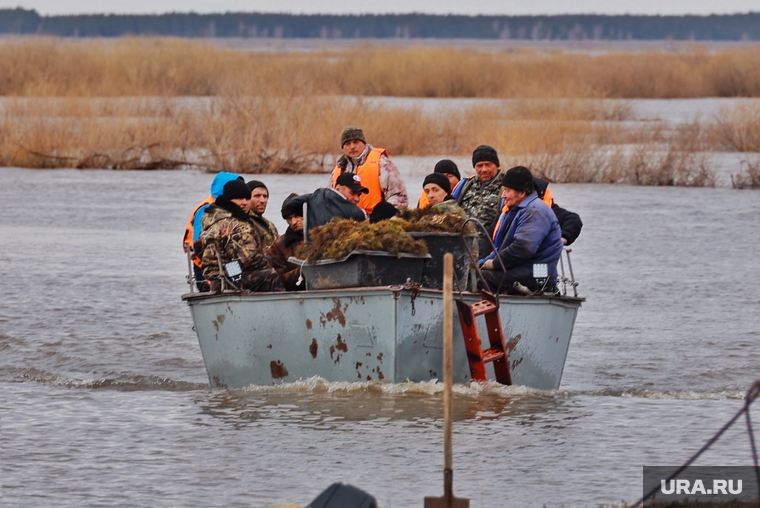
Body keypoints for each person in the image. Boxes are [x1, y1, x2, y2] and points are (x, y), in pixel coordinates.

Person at [479, 166, 563, 295]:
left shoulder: (535, 211)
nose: (503, 196)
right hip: (520, 269)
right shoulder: (516, 210)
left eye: (507, 191)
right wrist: (483, 262)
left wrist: (495, 264)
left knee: (481, 278)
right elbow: (502, 248)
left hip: (534, 275)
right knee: (474, 273)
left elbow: (523, 248)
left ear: (522, 193)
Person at [195, 179, 284, 293]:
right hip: (229, 281)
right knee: (272, 276)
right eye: (239, 198)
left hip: (220, 278)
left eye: (247, 198)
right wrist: (274, 264)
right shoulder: (235, 225)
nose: (244, 202)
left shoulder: (212, 220)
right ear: (228, 200)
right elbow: (250, 261)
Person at [490, 177, 583, 254]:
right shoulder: (508, 210)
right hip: (504, 258)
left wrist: (562, 239)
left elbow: (573, 220)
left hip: (531, 265)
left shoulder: (547, 211)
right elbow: (489, 236)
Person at [182, 171, 242, 290]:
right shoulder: (206, 209)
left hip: (226, 264)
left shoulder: (229, 208)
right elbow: (199, 243)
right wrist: (210, 278)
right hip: (205, 267)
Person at [330, 126, 408, 214]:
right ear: (343, 147)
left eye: (356, 142)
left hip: (375, 221)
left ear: (364, 143)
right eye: (347, 143)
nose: (352, 147)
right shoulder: (339, 168)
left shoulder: (381, 163)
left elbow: (399, 196)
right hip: (346, 222)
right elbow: (329, 199)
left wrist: (385, 218)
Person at [455, 145, 505, 257]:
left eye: (488, 165)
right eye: (479, 165)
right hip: (464, 249)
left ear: (497, 165)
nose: (484, 170)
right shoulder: (466, 186)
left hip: (491, 252)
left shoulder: (506, 187)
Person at [284, 172, 368, 236]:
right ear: (338, 189)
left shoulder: (316, 195)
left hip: (312, 252)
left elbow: (291, 205)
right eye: (352, 193)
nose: (357, 199)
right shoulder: (357, 212)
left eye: (359, 195)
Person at [268, 193, 305, 291]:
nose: (293, 222)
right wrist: (304, 271)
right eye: (289, 218)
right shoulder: (279, 245)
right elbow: (280, 281)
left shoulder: (323, 237)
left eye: (297, 216)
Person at [246, 180, 279, 249]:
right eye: (257, 196)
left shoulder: (270, 225)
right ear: (247, 198)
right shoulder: (243, 222)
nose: (262, 200)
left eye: (265, 196)